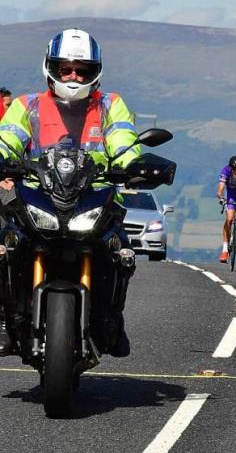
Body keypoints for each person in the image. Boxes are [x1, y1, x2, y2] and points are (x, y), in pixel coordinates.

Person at [0, 28, 140, 358]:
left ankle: (111, 317)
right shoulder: (27, 105)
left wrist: (134, 163)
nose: (74, 76)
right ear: (52, 68)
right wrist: (4, 157)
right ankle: (5, 323)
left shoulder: (110, 105)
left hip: (94, 197)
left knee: (120, 250)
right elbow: (8, 138)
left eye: (82, 70)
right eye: (66, 69)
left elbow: (123, 140)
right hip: (39, 196)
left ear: (95, 73)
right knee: (6, 244)